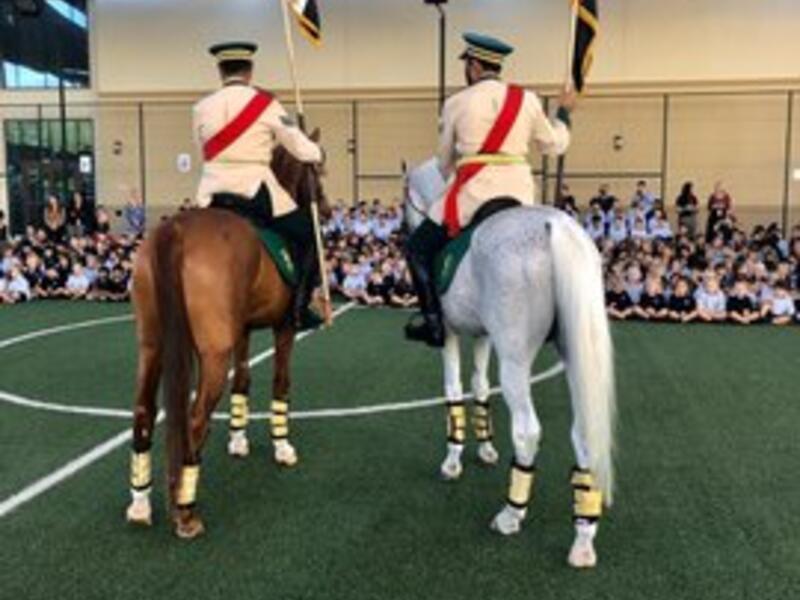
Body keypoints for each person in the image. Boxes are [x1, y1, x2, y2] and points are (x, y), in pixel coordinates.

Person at [404, 32, 574, 347]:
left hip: (474, 195)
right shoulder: (528, 100)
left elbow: (444, 162)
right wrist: (564, 112)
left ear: (474, 66)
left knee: (417, 248)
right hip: (520, 194)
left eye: (466, 65)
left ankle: (433, 324)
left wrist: (456, 171)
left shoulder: (456, 103)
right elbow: (554, 146)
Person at [193, 41, 325, 330]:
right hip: (253, 192)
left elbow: (201, 147)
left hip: (210, 194)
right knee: (309, 234)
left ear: (220, 71)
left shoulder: (201, 107)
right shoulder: (265, 105)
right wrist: (318, 152)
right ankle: (300, 308)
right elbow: (299, 147)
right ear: (250, 71)